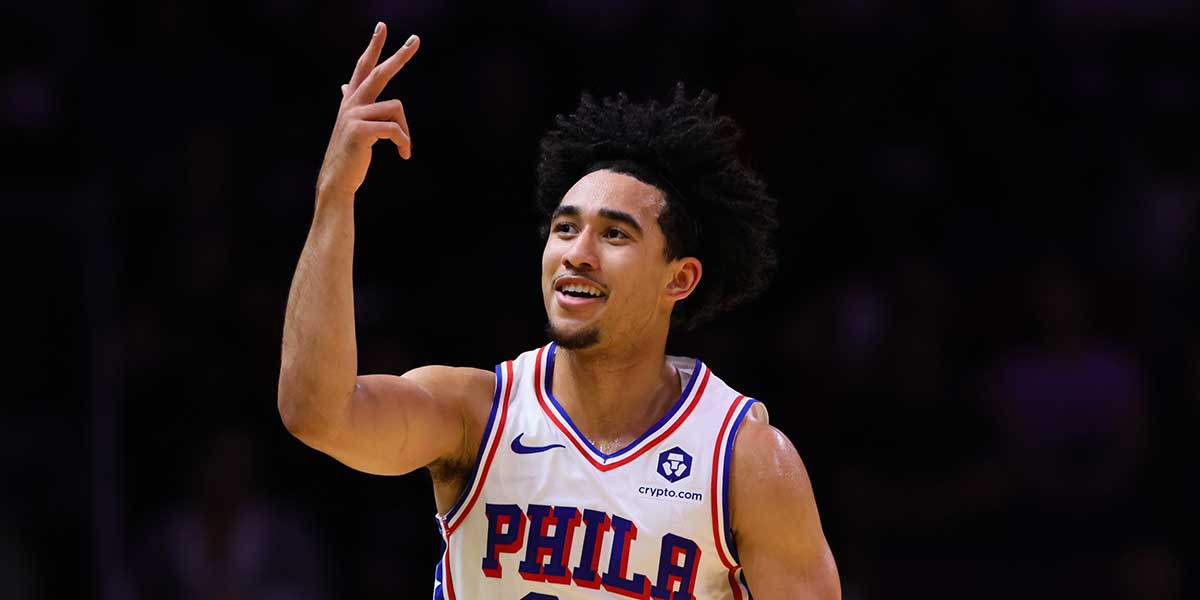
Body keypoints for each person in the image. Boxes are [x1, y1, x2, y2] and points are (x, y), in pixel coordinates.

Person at [278, 22, 840, 600]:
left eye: (615, 235)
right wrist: (334, 195)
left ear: (680, 277)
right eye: (565, 228)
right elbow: (316, 414)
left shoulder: (744, 460)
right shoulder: (476, 416)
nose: (577, 253)